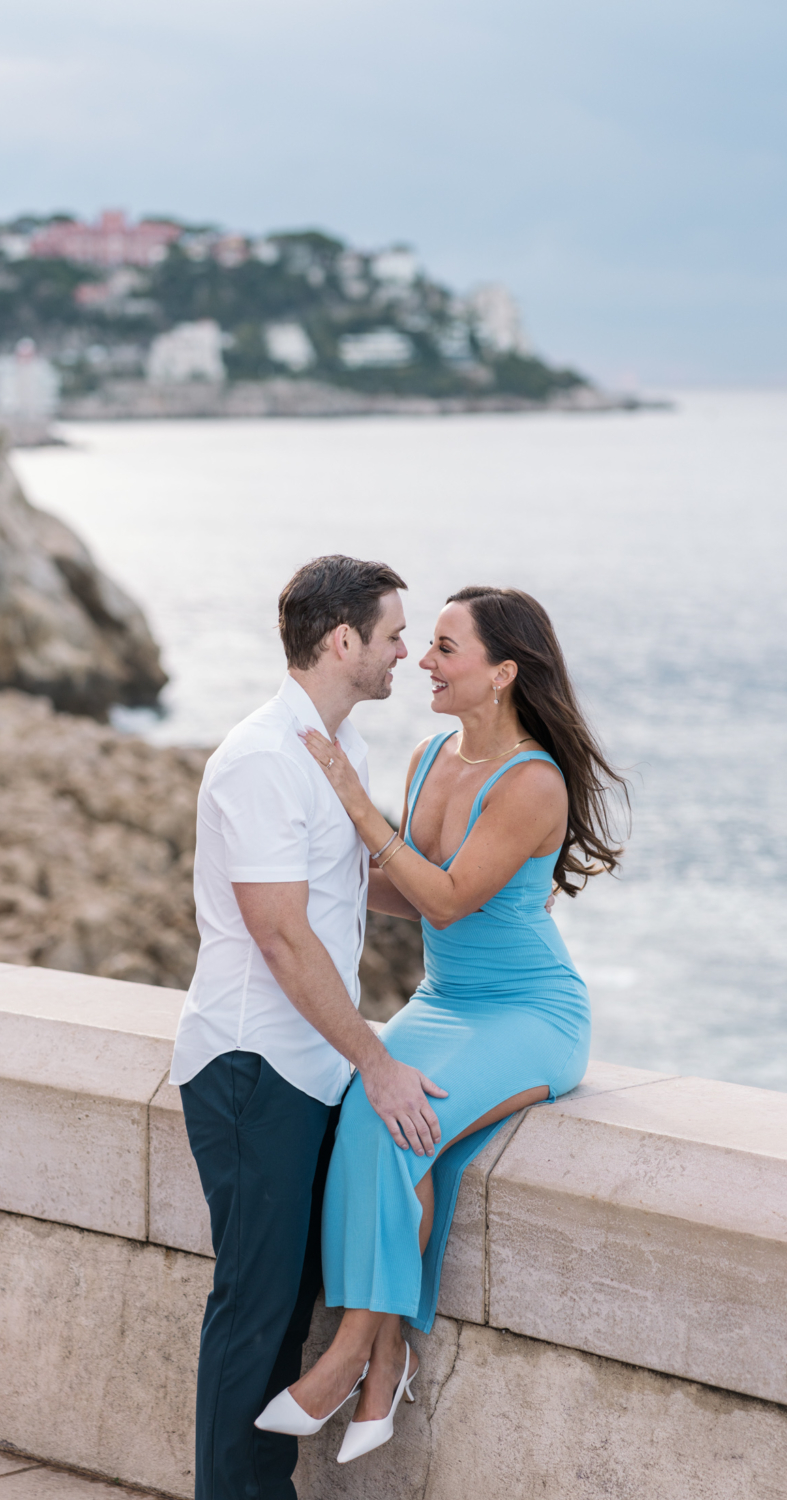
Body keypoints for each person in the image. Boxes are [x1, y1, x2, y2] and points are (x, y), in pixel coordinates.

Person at [256, 584, 626, 1464]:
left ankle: (349, 1352)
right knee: (375, 1113)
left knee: (404, 1122)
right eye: (422, 644)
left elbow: (451, 902)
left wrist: (354, 804)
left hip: (531, 1013)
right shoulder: (428, 757)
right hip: (441, 1004)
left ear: (501, 674)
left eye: (445, 648)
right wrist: (298, 884)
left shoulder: (533, 782)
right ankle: (384, 1361)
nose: (423, 660)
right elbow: (395, 889)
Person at [169, 555, 449, 1500]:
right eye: (393, 635)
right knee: (255, 1310)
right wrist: (376, 1060)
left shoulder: (339, 750)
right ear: (342, 642)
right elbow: (283, 937)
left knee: (291, 1303)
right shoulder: (260, 759)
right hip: (252, 1069)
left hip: (304, 1068)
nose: (405, 652)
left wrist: (467, 898)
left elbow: (345, 886)